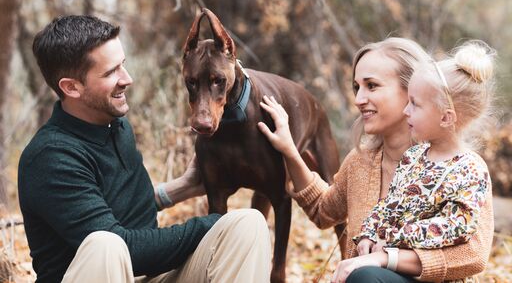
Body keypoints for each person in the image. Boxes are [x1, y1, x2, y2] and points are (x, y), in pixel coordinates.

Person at [18, 15, 271, 283]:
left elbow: (118, 210)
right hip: (98, 273)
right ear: (72, 87)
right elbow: (125, 248)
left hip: (147, 277)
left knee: (248, 224)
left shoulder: (116, 126)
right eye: (110, 72)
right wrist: (213, 223)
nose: (127, 79)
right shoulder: (50, 158)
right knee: (107, 245)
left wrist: (181, 188)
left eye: (122, 65)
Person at [257, 38, 494, 283]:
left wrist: (387, 257)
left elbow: (473, 255)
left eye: (372, 86)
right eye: (356, 87)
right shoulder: (363, 161)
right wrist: (289, 150)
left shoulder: (464, 167)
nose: (359, 99)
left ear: (412, 90)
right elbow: (323, 210)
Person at [353, 41, 493, 258]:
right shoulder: (413, 157)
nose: (406, 110)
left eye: (414, 104)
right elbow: (390, 206)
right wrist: (368, 234)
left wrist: (393, 239)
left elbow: (454, 226)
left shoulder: (470, 169)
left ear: (446, 117)